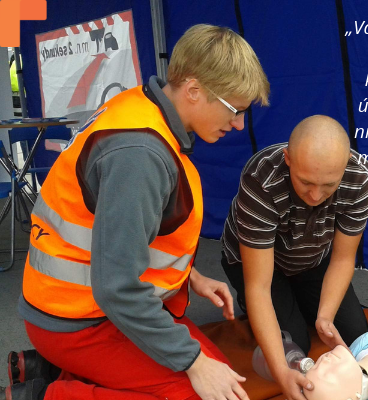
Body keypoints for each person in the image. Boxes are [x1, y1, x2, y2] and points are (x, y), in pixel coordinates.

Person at [5, 24, 270, 400]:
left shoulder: (141, 106)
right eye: (235, 109)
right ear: (194, 90)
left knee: (223, 382)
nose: (240, 123)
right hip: (77, 320)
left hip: (82, 304)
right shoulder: (140, 156)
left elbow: (120, 231)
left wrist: (191, 276)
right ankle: (46, 393)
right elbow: (118, 289)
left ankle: (47, 369)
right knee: (203, 393)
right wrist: (193, 362)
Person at [221, 115, 368, 400]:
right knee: (295, 345)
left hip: (313, 258)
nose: (315, 195)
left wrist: (325, 315)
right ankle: (272, 305)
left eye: (329, 185)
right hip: (258, 264)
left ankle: (301, 303)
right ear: (288, 159)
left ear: (344, 167)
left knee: (354, 334)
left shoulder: (359, 177)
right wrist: (281, 372)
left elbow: (343, 259)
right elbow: (259, 286)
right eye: (305, 182)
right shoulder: (262, 178)